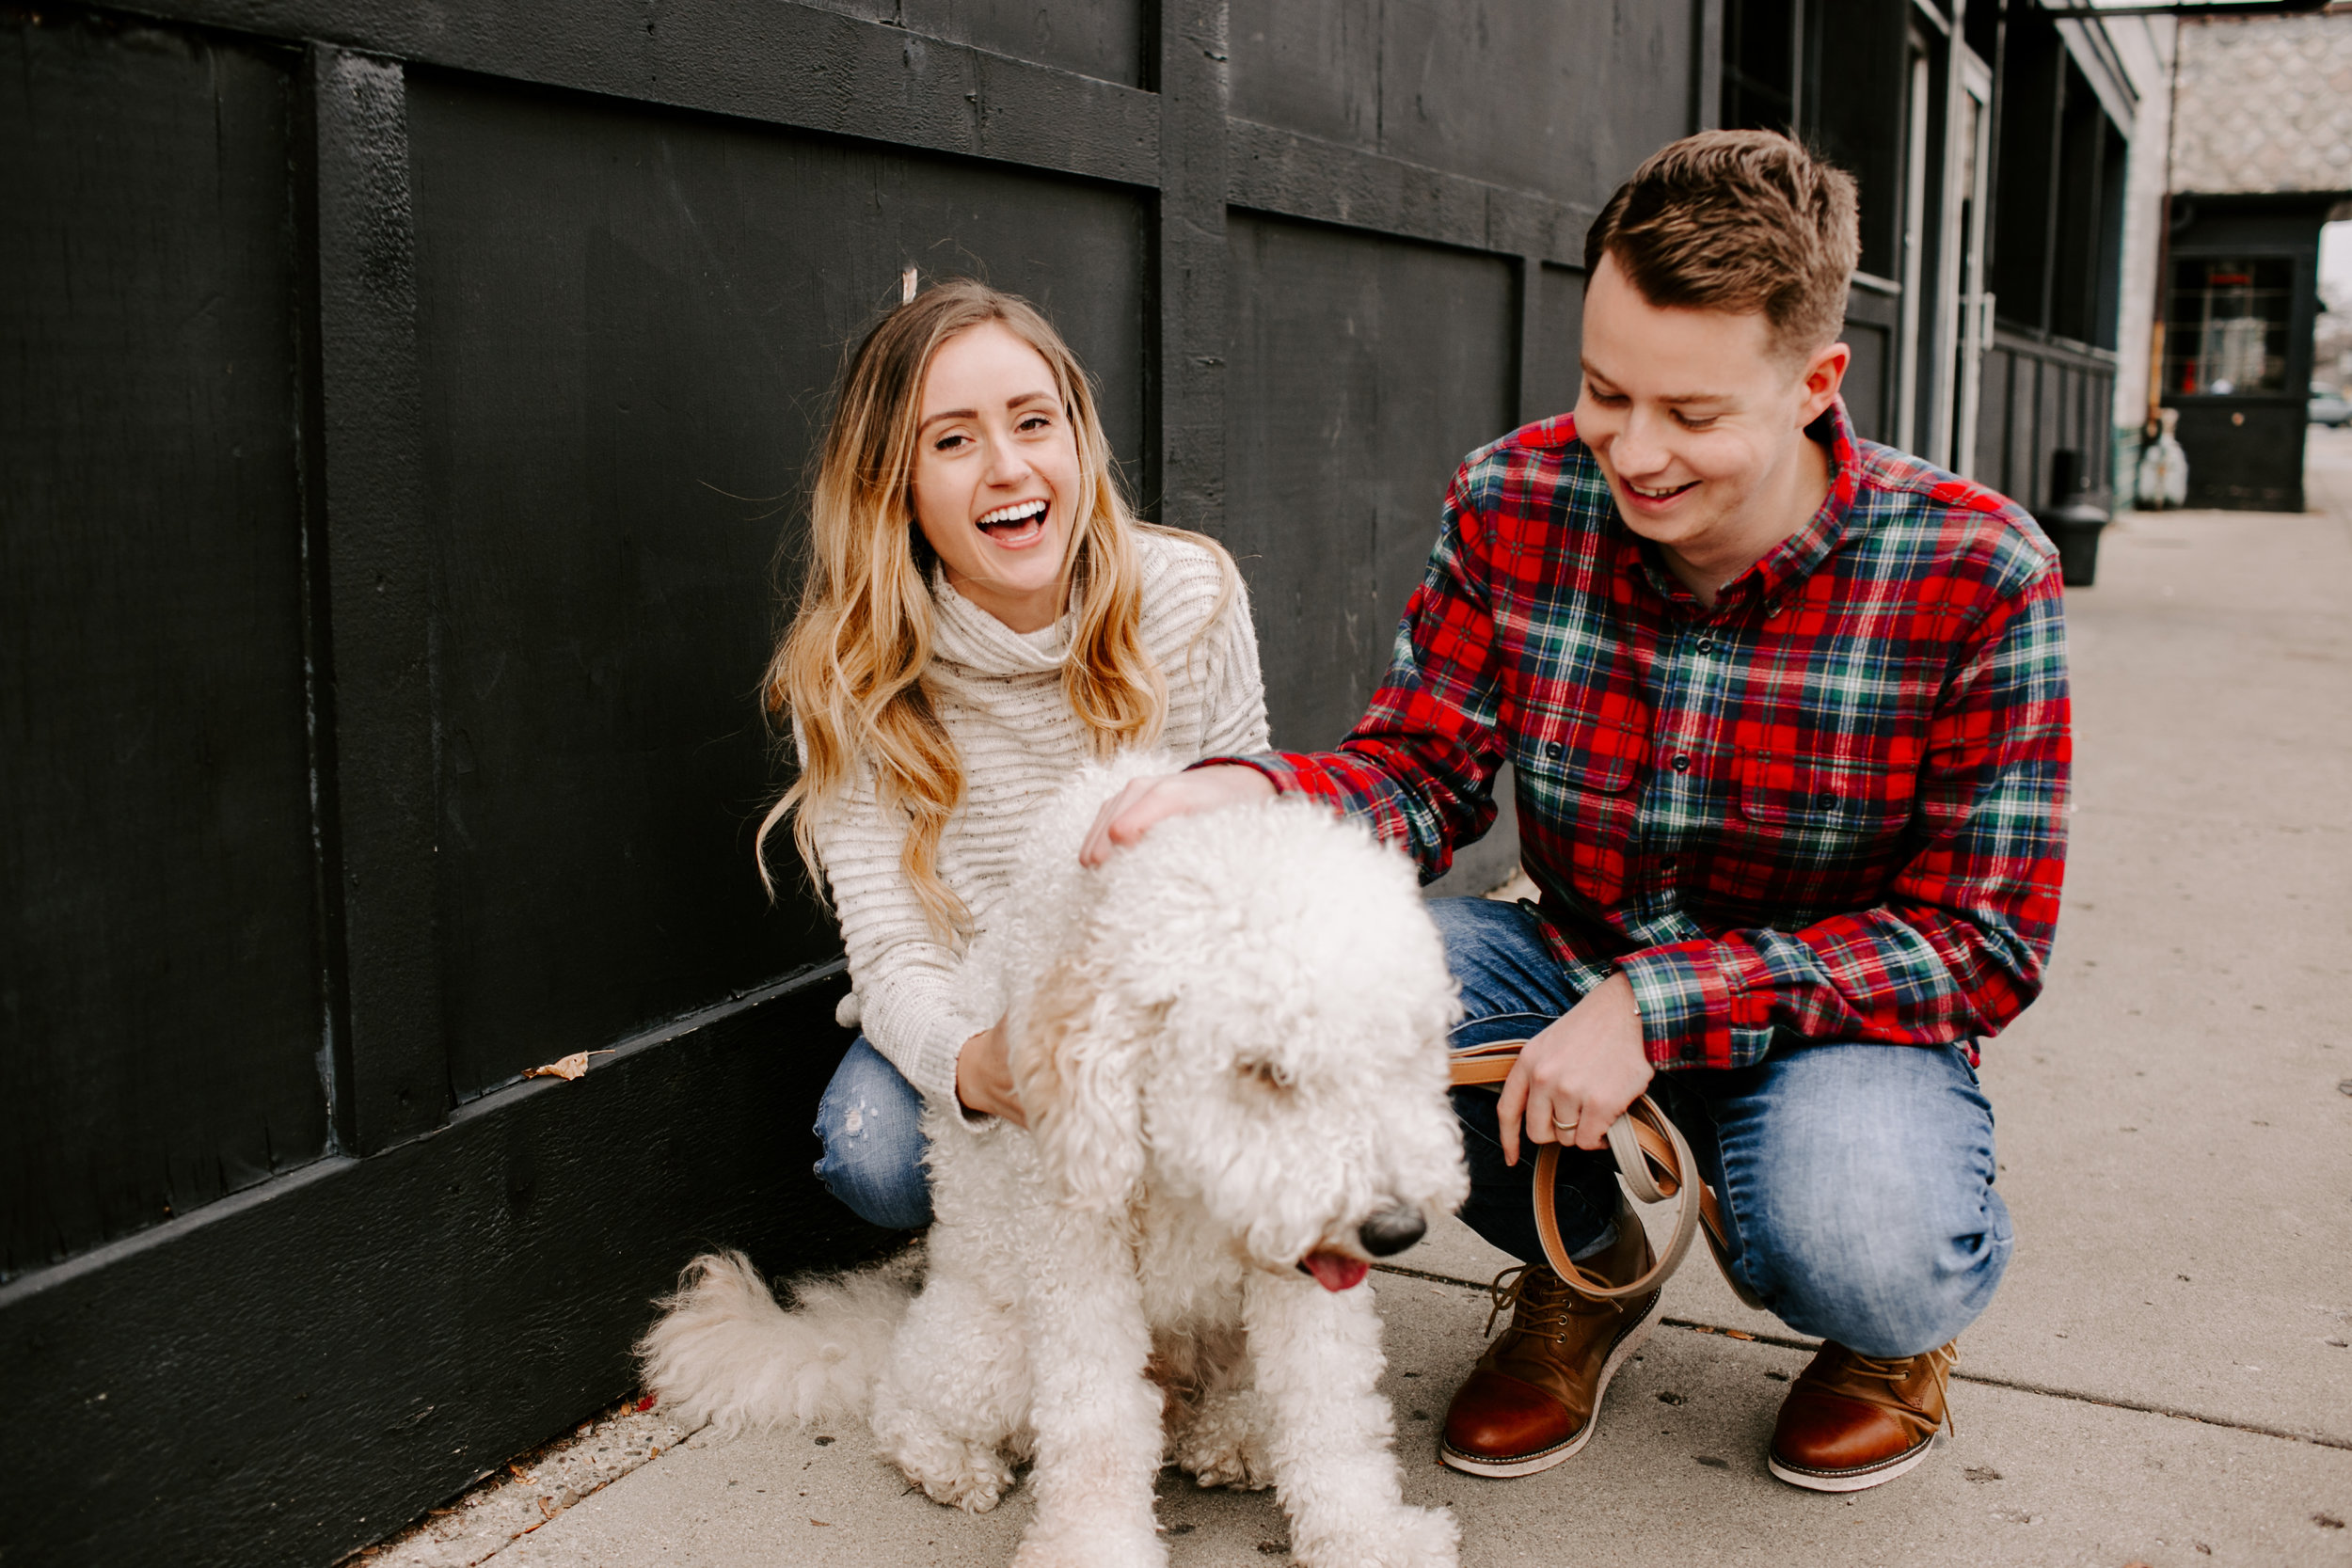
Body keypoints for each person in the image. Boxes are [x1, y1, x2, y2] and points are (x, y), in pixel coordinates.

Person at [1080, 131, 2070, 1493]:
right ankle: (1584, 1265)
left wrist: (1661, 1004)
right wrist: (1250, 787)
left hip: (1841, 1017)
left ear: (1816, 381)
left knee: (1862, 1235)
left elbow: (1980, 940)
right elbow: (1420, 773)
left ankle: (1882, 1337)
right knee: (1358, 1007)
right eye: (1607, 391)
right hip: (1568, 955)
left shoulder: (1980, 569)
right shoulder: (1514, 497)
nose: (1637, 451)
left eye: (1692, 413)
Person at [761, 279, 1269, 1229]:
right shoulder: (850, 671)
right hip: (980, 993)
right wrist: (975, 1061)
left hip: (1162, 976)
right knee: (873, 1151)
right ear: (894, 482)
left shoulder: (1187, 592)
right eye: (952, 439)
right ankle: (1010, 1255)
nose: (1006, 466)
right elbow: (892, 945)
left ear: (1076, 437)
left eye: (1033, 422)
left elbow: (1251, 836)